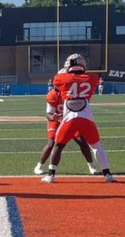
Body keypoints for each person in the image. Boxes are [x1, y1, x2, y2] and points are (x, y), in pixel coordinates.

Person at [42, 54, 115, 184]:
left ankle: (51, 175)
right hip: (86, 116)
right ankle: (108, 174)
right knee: (97, 146)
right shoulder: (92, 78)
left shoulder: (60, 78)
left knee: (58, 145)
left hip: (69, 117)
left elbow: (59, 81)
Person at [33, 85, 100, 177]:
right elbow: (48, 114)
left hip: (70, 120)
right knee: (52, 142)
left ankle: (92, 166)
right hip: (56, 121)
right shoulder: (53, 95)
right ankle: (39, 166)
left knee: (82, 141)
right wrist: (53, 117)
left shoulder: (75, 92)